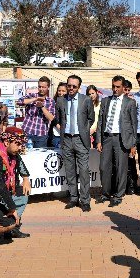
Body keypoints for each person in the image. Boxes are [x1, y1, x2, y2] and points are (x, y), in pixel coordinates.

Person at [96, 75, 137, 207]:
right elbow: (100, 122)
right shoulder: (105, 101)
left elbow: (133, 125)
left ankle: (119, 195)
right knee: (104, 167)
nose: (115, 89)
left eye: (118, 87)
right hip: (107, 137)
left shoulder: (130, 102)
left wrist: (133, 144)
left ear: (123, 87)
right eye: (113, 86)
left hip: (121, 139)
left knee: (121, 168)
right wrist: (99, 140)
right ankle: (105, 193)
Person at [56, 75, 95, 212]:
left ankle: (85, 200)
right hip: (66, 139)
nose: (71, 88)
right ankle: (73, 198)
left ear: (79, 87)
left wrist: (84, 130)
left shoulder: (86, 100)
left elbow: (91, 118)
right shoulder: (60, 101)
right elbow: (58, 118)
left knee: (84, 171)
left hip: (80, 139)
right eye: (69, 85)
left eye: (74, 86)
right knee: (70, 170)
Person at [17, 76, 55, 148]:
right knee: (25, 155)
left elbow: (51, 118)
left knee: (39, 157)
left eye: (44, 87)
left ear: (48, 87)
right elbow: (19, 102)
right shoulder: (31, 95)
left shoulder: (51, 101)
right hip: (27, 131)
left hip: (41, 134)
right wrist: (35, 99)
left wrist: (42, 107)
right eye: (39, 87)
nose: (41, 89)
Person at [48, 82, 67, 149]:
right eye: (59, 90)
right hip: (56, 134)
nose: (61, 92)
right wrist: (58, 126)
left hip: (67, 135)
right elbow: (51, 116)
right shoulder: (53, 102)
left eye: (63, 91)